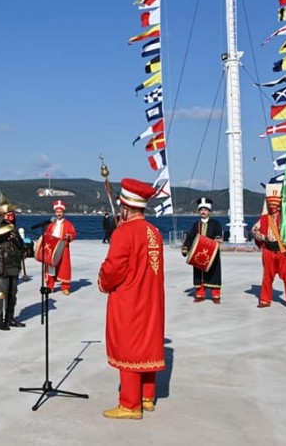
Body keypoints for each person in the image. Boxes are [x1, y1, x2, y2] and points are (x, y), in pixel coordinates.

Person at [98, 177, 165, 420]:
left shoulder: (124, 232)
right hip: (152, 297)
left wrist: (103, 282)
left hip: (130, 297)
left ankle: (130, 404)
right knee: (147, 342)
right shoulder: (154, 232)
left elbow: (114, 268)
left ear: (125, 208)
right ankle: (147, 396)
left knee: (128, 346)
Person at [251, 183, 286, 310]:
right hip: (268, 250)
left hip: (282, 251)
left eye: (275, 205)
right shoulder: (264, 218)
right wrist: (262, 237)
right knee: (267, 277)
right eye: (270, 205)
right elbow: (254, 230)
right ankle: (265, 299)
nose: (273, 207)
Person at [0, 202, 27, 330]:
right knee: (0, 293)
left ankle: (10, 318)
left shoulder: (14, 228)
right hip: (2, 264)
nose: (12, 216)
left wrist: (23, 248)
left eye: (12, 214)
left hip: (14, 263)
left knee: (12, 293)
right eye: (9, 213)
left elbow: (21, 245)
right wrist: (6, 230)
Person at [180, 197, 223, 304]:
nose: (203, 211)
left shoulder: (215, 223)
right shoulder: (196, 225)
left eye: (205, 209)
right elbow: (190, 237)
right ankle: (200, 294)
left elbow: (218, 233)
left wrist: (218, 238)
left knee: (214, 273)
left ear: (209, 211)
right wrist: (186, 247)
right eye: (201, 209)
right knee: (199, 274)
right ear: (199, 211)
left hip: (212, 253)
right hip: (199, 253)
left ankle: (215, 295)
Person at [43, 200, 77, 294]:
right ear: (55, 212)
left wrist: (69, 236)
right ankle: (50, 286)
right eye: (57, 212)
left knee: (64, 267)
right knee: (50, 267)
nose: (59, 214)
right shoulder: (51, 224)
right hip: (52, 248)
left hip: (63, 247)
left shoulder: (68, 224)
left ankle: (65, 287)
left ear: (63, 212)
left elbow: (73, 233)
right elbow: (47, 234)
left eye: (60, 212)